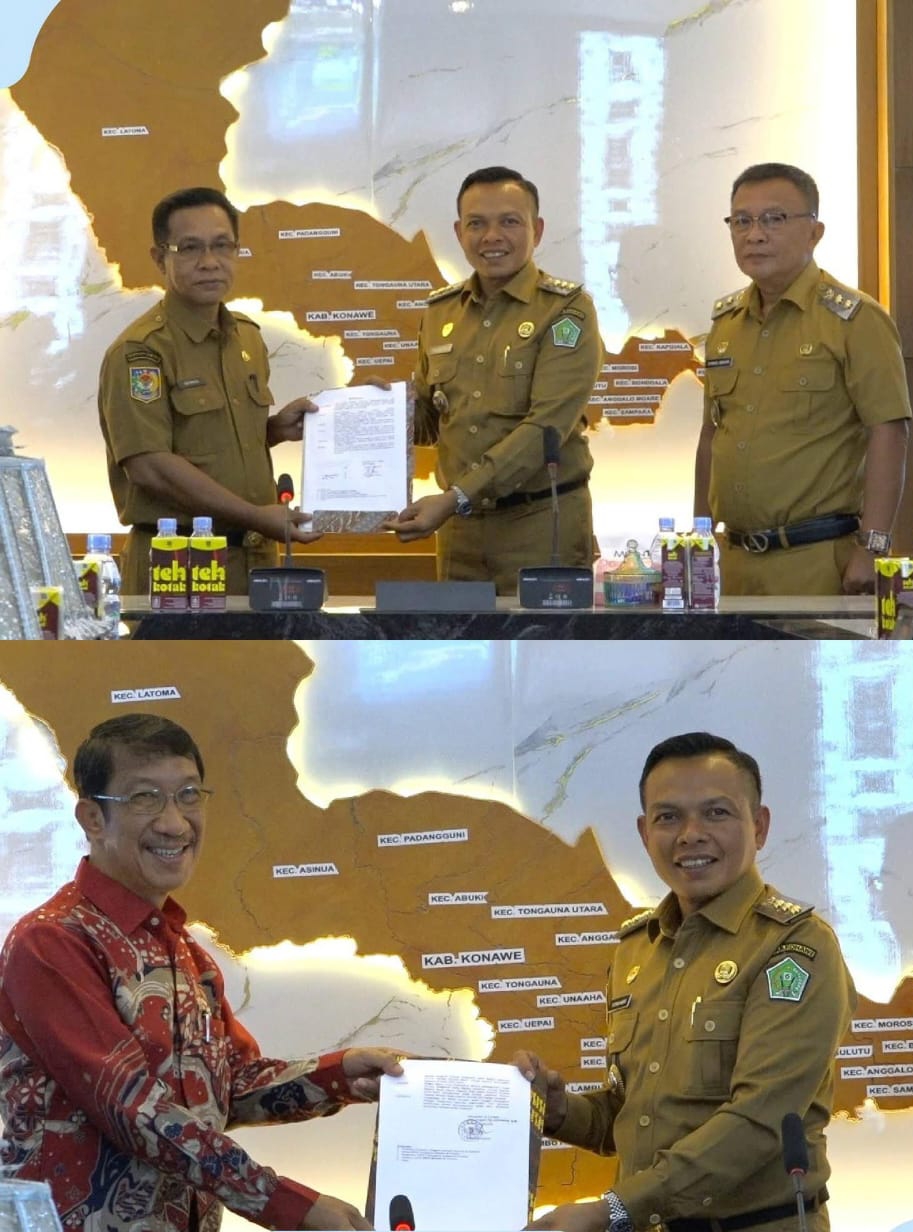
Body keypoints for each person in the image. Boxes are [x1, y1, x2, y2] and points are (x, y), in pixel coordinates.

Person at [0, 713, 404, 1231]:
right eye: (145, 798)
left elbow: (229, 1088)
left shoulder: (183, 949)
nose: (175, 823)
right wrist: (291, 1206)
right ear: (93, 818)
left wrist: (342, 1075)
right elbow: (134, 1109)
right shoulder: (52, 943)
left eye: (188, 795)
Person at [516, 731, 855, 1232]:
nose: (691, 834)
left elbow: (758, 1122)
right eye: (668, 817)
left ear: (759, 826)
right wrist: (559, 1110)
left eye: (716, 813)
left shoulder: (795, 948)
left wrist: (613, 1210)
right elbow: (634, 1116)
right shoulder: (637, 949)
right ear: (644, 832)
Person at [694, 162, 911, 596]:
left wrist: (873, 547)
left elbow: (889, 431)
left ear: (815, 232)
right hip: (734, 560)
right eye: (741, 221)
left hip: (817, 558)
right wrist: (699, 537)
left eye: (774, 219)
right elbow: (712, 434)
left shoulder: (855, 319)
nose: (755, 235)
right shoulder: (726, 323)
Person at [383, 166, 603, 593]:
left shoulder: (566, 310)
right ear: (459, 232)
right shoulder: (440, 312)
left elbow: (546, 428)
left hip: (540, 525)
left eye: (509, 221)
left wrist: (456, 497)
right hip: (460, 533)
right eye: (476, 224)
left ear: (537, 230)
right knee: (460, 637)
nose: (492, 236)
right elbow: (432, 421)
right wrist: (382, 412)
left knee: (543, 638)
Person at [98, 186, 321, 596]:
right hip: (178, 562)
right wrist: (256, 515)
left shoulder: (247, 339)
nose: (209, 262)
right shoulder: (141, 352)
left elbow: (207, 440)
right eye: (189, 248)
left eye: (222, 245)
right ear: (159, 258)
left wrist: (271, 431)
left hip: (256, 559)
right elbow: (150, 466)